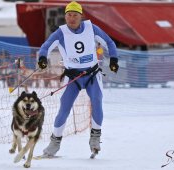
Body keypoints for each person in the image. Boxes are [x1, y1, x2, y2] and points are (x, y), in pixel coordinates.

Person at [37, 1, 119, 157]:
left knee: (97, 101)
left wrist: (113, 59)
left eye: (75, 15)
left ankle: (95, 139)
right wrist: (42, 58)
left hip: (92, 75)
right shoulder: (60, 33)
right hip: (73, 77)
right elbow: (46, 46)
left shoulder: (91, 28)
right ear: (65, 16)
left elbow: (109, 42)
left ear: (81, 16)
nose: (71, 18)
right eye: (69, 15)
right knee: (64, 108)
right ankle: (55, 143)